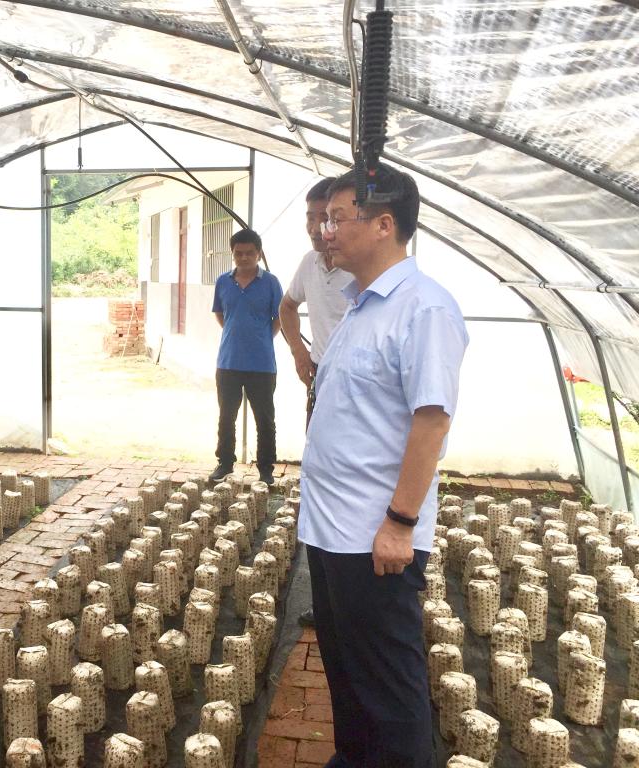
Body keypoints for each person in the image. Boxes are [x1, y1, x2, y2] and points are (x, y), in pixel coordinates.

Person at [299, 164, 468, 768]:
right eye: (324, 220)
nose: (325, 232)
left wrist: (400, 522)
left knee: (388, 685)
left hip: (375, 535)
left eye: (337, 219)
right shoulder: (361, 306)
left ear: (384, 224)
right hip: (331, 529)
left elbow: (432, 422)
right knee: (347, 669)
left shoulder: (424, 309)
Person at [279, 177, 351, 629]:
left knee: (349, 489)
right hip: (322, 380)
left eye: (325, 217)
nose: (314, 226)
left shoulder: (360, 270)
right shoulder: (309, 264)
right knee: (319, 482)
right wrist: (299, 354)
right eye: (309, 217)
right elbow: (287, 307)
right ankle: (326, 602)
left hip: (355, 386)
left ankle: (348, 603)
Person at [209, 228, 284, 486]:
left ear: (259, 254)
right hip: (228, 362)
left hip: (262, 364)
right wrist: (236, 333)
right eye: (238, 253)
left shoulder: (271, 282)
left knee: (265, 419)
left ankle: (266, 468)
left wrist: (261, 336)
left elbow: (279, 317)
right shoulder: (223, 282)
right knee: (226, 416)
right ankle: (224, 463)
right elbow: (220, 314)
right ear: (232, 254)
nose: (244, 258)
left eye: (249, 253)